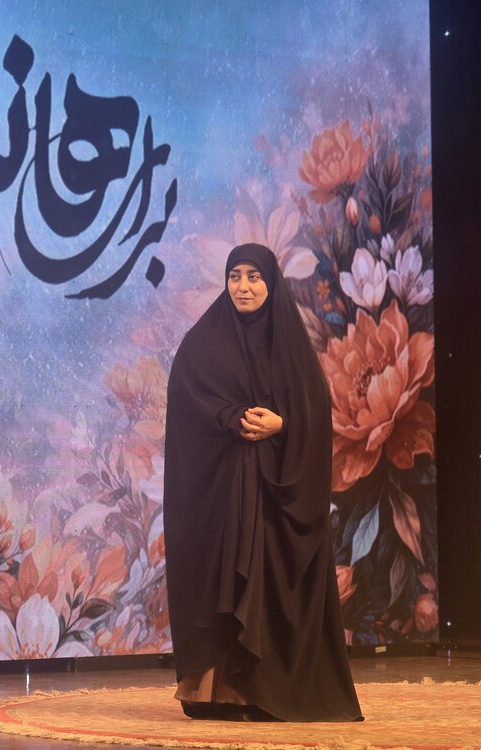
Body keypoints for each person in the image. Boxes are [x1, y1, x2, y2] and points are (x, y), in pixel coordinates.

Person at [163, 243, 362, 722]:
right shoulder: (203, 342)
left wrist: (282, 424)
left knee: (268, 587)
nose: (244, 286)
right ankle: (217, 695)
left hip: (275, 496)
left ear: (271, 283)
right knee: (221, 587)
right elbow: (188, 403)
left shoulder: (289, 344)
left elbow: (315, 413)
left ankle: (267, 692)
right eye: (235, 276)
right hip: (221, 496)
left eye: (254, 276)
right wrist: (231, 418)